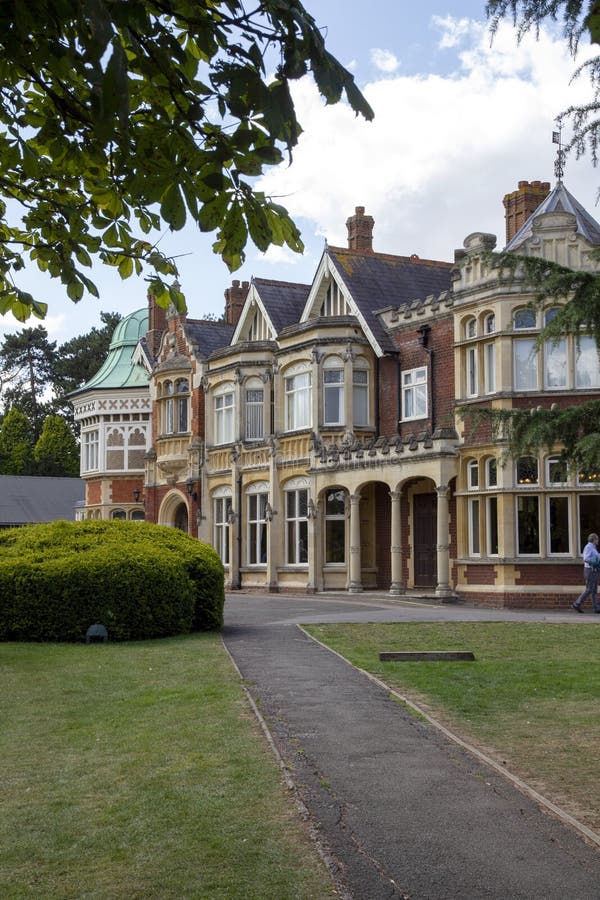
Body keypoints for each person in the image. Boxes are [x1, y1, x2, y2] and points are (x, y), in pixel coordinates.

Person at [572, 533, 600, 613]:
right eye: (597, 539)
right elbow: (586, 558)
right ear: (594, 539)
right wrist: (595, 562)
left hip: (594, 570)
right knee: (589, 589)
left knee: (594, 590)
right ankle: (577, 604)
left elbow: (596, 556)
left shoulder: (593, 547)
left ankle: (596, 608)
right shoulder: (588, 547)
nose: (598, 540)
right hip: (590, 570)